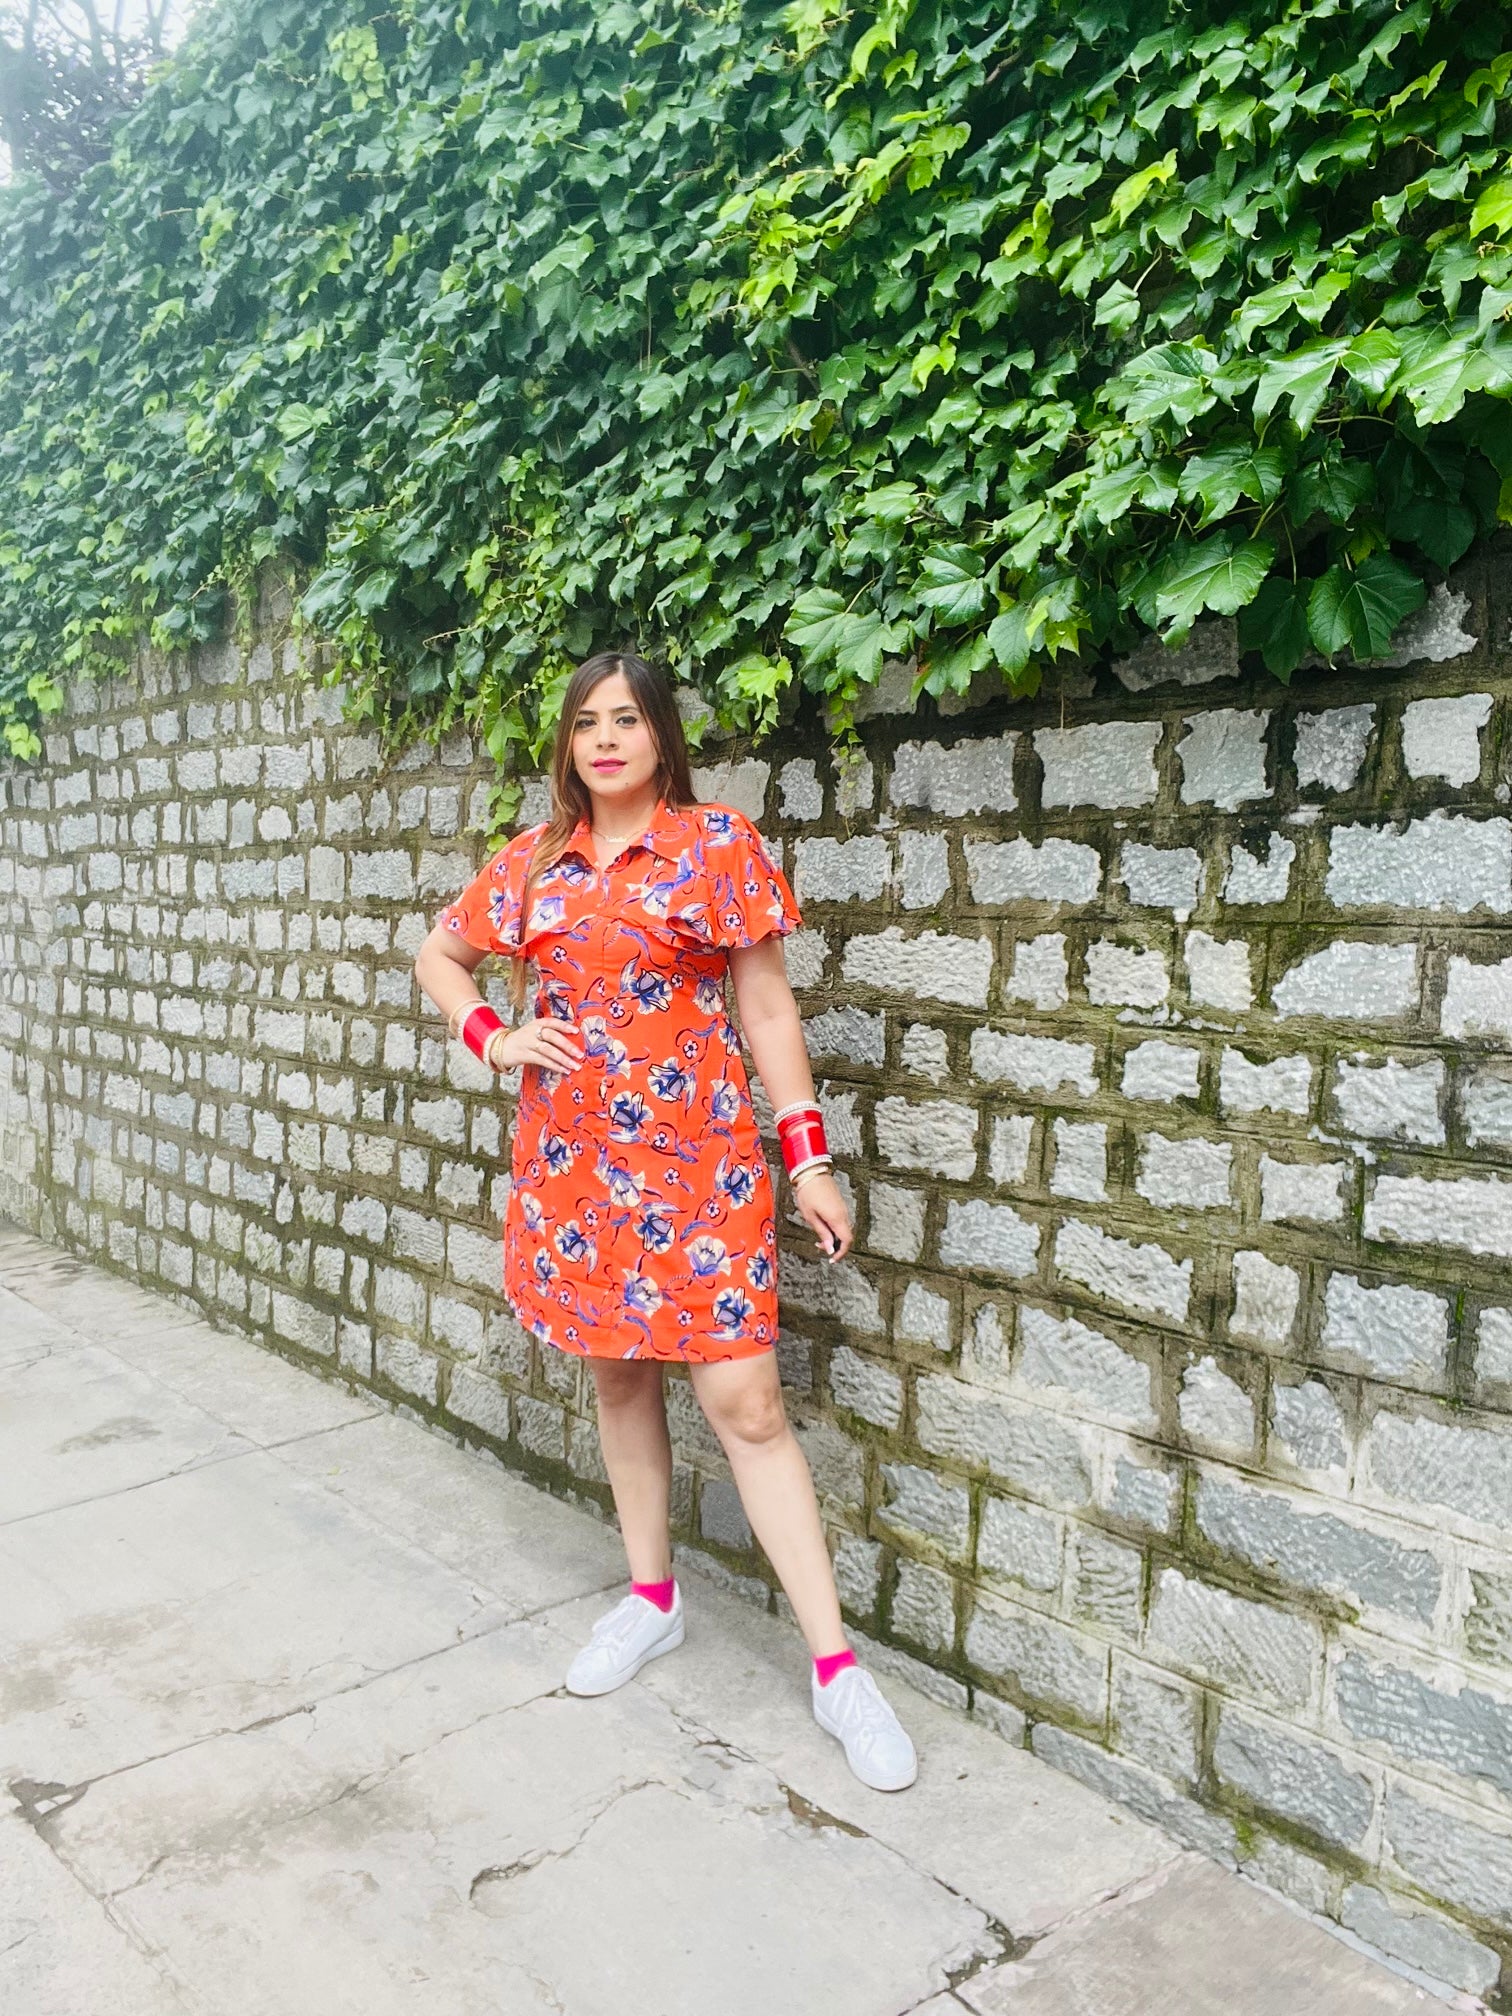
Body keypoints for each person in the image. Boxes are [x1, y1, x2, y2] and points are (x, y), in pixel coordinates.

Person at [413, 650, 917, 1792]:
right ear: (567, 743)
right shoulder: (533, 862)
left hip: (701, 1172)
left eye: (626, 720)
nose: (604, 739)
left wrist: (809, 1158)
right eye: (586, 722)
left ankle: (837, 1669)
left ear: (660, 736)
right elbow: (440, 953)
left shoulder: (715, 846)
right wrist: (494, 1035)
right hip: (577, 1172)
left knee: (748, 1405)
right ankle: (652, 1599)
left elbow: (767, 1006)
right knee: (619, 1380)